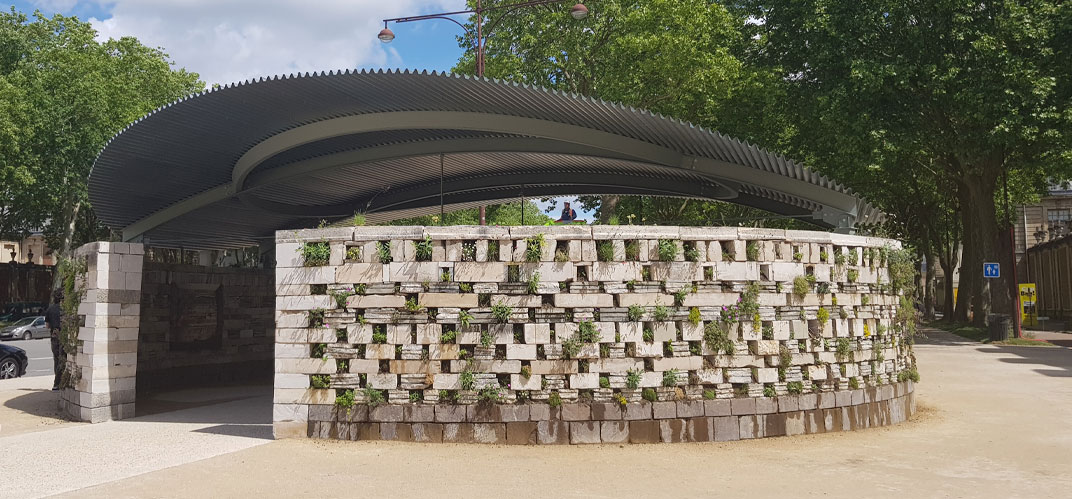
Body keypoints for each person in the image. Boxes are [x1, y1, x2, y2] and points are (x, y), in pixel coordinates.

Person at [44, 289, 64, 391]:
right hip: (64, 336)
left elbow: (47, 326)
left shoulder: (50, 309)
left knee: (56, 359)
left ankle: (57, 383)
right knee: (62, 359)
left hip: (54, 336)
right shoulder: (64, 309)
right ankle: (58, 382)